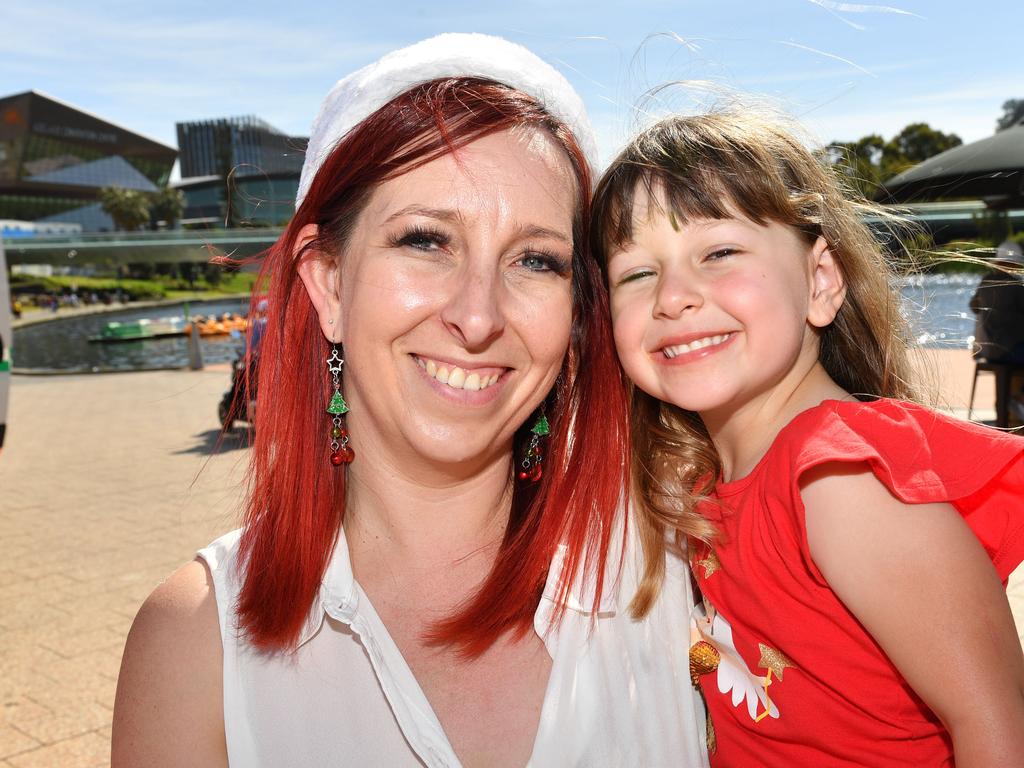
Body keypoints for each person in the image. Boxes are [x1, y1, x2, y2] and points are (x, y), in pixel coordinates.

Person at [112, 34, 709, 768]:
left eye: (535, 260)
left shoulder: (688, 561)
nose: (479, 314)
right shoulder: (194, 646)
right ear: (328, 284)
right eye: (426, 240)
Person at [592, 111, 1024, 766]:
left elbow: (997, 726)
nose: (673, 297)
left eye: (719, 253)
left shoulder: (841, 482)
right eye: (636, 274)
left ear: (820, 281)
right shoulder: (705, 477)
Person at [970, 239, 1024, 364]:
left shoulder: (986, 280)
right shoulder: (1016, 285)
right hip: (1011, 350)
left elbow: (974, 307)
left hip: (988, 350)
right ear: (1013, 264)